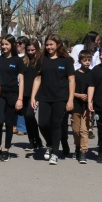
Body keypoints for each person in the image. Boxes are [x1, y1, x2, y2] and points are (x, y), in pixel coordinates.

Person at [31, 34, 75, 165]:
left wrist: (70, 99)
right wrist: (33, 96)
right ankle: (50, 143)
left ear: (58, 45)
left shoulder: (66, 61)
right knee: (42, 124)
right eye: (47, 44)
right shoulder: (42, 59)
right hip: (44, 96)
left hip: (60, 97)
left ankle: (55, 152)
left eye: (52, 44)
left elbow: (71, 80)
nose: (49, 47)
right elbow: (37, 78)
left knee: (56, 124)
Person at [0, 34, 24, 163]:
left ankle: (6, 149)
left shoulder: (17, 60)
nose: (4, 47)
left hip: (12, 94)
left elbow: (21, 80)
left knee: (10, 123)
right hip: (0, 94)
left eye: (7, 44)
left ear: (12, 45)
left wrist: (20, 98)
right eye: (2, 44)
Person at [72, 50, 93, 164]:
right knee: (76, 130)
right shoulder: (75, 74)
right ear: (80, 61)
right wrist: (79, 95)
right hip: (76, 104)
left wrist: (90, 103)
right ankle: (77, 146)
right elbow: (70, 90)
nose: (87, 63)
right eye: (85, 60)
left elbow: (94, 90)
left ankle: (83, 151)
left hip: (87, 106)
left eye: (89, 60)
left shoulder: (92, 74)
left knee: (84, 130)